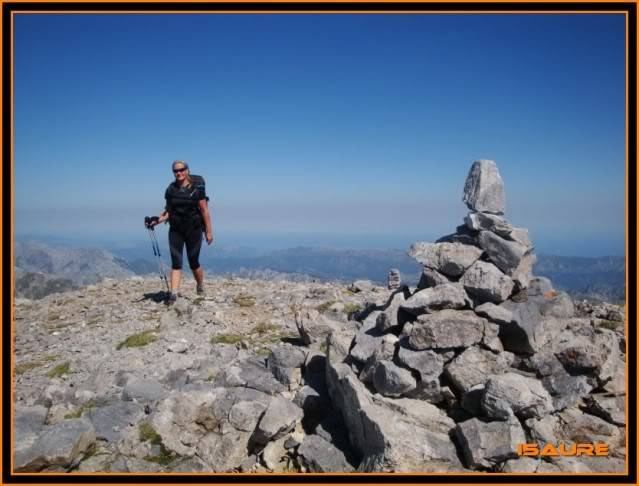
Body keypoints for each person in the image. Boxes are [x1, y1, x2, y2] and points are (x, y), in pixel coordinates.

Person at [150, 160, 213, 302]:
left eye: (181, 169)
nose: (178, 173)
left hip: (194, 229)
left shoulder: (197, 187)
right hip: (176, 230)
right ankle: (174, 294)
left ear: (187, 170)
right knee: (176, 262)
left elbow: (204, 210)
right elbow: (168, 211)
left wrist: (209, 231)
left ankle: (200, 285)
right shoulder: (171, 189)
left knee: (193, 262)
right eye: (175, 171)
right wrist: (157, 220)